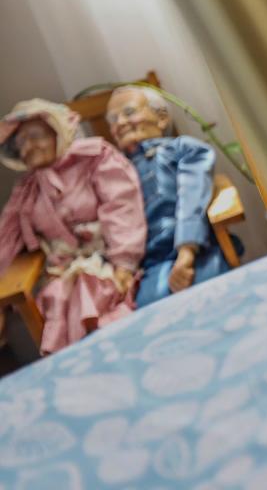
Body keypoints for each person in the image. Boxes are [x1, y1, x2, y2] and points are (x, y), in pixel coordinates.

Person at [0, 99, 146, 354]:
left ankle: (115, 355)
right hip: (60, 276)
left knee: (91, 294)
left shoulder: (95, 157)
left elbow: (122, 205)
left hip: (109, 264)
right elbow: (6, 239)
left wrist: (124, 263)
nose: (28, 147)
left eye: (34, 136)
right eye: (20, 143)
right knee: (57, 299)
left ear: (57, 132)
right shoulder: (26, 189)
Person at [105, 85, 233, 307]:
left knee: (213, 298)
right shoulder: (112, 174)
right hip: (148, 269)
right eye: (113, 119)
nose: (120, 123)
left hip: (195, 250)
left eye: (129, 112)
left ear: (161, 118)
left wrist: (186, 251)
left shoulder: (182, 149)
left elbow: (193, 193)